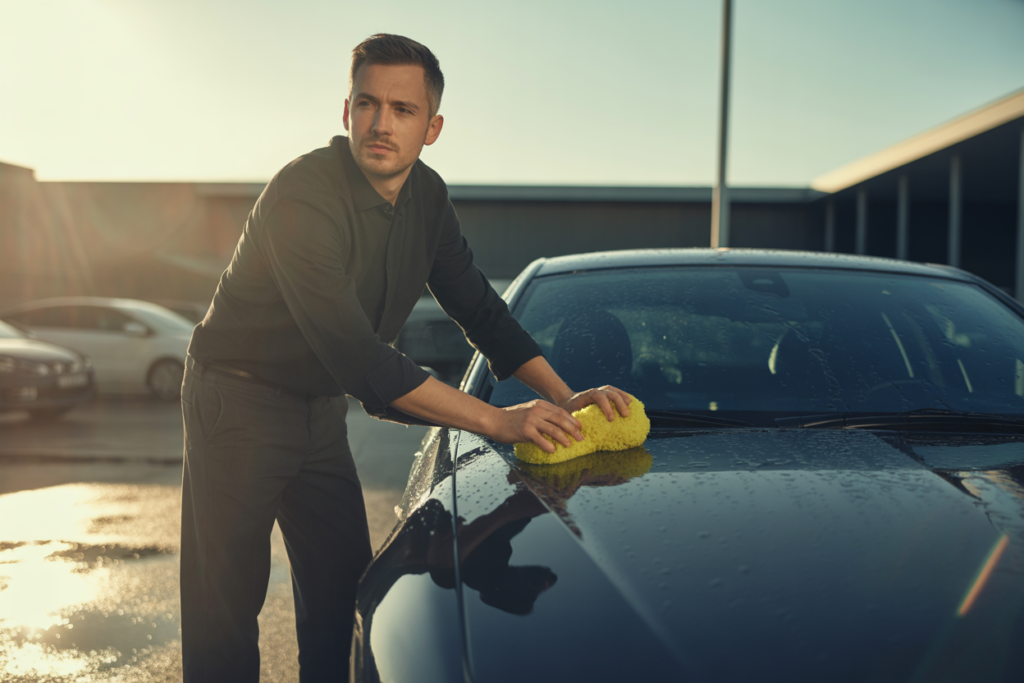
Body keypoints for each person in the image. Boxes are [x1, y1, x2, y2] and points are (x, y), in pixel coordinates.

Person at [179, 33, 631, 682]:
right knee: (224, 612)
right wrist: (499, 420)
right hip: (237, 399)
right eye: (368, 104)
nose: (381, 123)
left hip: (317, 408)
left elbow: (481, 311)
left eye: (402, 109)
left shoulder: (428, 200)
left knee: (343, 592)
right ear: (346, 112)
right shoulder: (301, 196)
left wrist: (566, 397)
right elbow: (361, 357)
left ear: (433, 126)